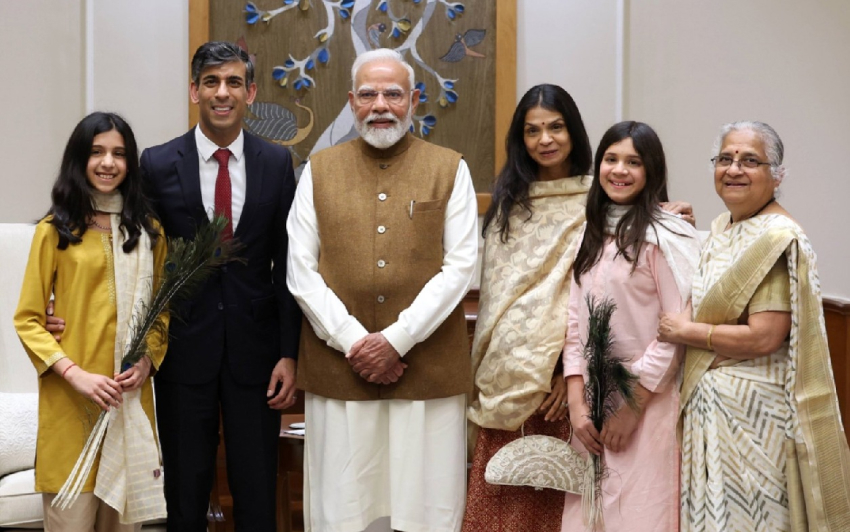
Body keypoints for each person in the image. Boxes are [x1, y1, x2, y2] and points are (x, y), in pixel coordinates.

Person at [47, 42, 303, 531]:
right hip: (181, 353)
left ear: (250, 92)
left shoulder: (276, 162)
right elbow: (124, 243)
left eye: (232, 82)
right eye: (210, 82)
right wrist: (65, 297)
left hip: (258, 354)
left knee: (257, 493)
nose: (221, 93)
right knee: (182, 495)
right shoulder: (159, 163)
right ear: (194, 91)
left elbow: (287, 263)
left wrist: (289, 353)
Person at [286, 48, 478, 532]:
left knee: (427, 505)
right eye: (368, 94)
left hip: (427, 368)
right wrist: (355, 342)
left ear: (413, 99)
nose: (381, 105)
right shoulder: (319, 168)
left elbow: (461, 268)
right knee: (343, 507)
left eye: (393, 93)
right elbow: (300, 270)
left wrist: (396, 340)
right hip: (338, 368)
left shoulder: (450, 167)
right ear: (352, 102)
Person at [658, 121, 850, 531]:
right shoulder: (726, 227)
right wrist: (682, 225)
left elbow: (764, 336)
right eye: (725, 159)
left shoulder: (775, 237)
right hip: (715, 413)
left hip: (751, 418)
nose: (734, 169)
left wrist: (685, 332)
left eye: (750, 161)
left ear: (776, 175)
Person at [15, 112, 167, 531]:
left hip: (128, 403)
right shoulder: (55, 231)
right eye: (97, 151)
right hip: (71, 407)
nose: (108, 162)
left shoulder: (150, 233)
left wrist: (146, 362)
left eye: (119, 153)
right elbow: (28, 319)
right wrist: (77, 375)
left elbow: (161, 312)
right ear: (79, 159)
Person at [462, 84, 594, 532]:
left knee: (551, 509)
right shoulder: (507, 205)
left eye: (556, 127)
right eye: (533, 130)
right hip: (503, 377)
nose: (545, 140)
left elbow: (596, 294)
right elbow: (498, 293)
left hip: (558, 386)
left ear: (573, 131)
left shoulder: (597, 203)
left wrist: (570, 373)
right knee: (496, 507)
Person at [562, 121, 701, 531]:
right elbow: (575, 325)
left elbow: (676, 332)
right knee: (587, 519)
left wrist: (631, 409)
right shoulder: (588, 234)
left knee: (641, 517)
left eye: (633, 162)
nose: (619, 170)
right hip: (590, 411)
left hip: (649, 408)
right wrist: (576, 406)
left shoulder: (667, 236)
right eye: (611, 159)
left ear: (651, 171)